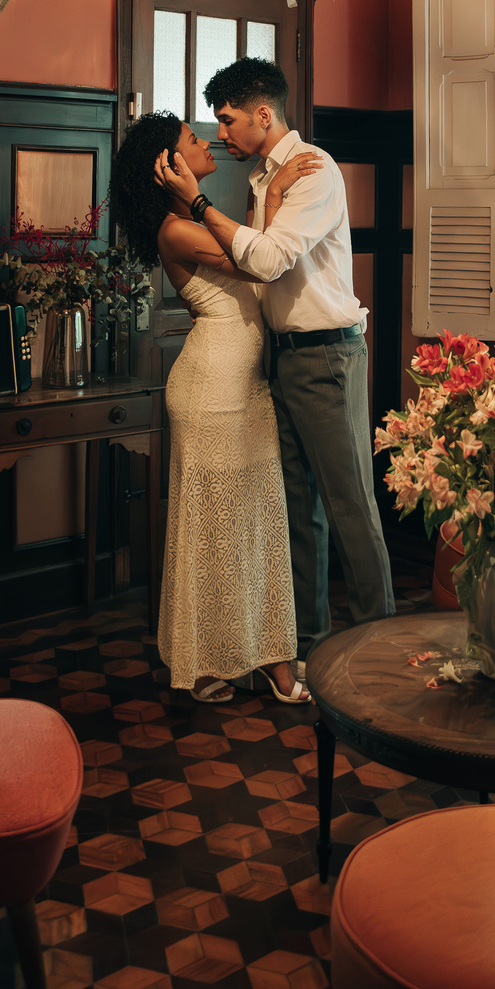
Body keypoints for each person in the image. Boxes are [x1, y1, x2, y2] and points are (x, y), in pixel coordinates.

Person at [155, 57, 395, 671]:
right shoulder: (267, 179)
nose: (220, 134)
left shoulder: (314, 170)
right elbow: (258, 265)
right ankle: (310, 649)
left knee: (350, 507)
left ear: (263, 114)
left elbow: (264, 262)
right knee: (299, 513)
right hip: (281, 359)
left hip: (328, 356)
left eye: (227, 120)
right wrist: (267, 196)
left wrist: (199, 202)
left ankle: (381, 656)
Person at [110, 110, 321, 704]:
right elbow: (260, 263)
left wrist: (257, 202)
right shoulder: (177, 231)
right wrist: (272, 195)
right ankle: (217, 665)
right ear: (169, 165)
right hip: (212, 391)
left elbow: (254, 251)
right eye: (191, 139)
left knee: (257, 525)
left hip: (243, 387)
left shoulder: (192, 221)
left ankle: (260, 659)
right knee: (214, 530)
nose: (206, 142)